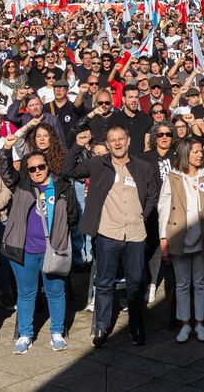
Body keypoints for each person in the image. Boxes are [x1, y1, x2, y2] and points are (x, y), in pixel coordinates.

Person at [63, 125, 160, 347]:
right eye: (112, 140)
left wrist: (140, 217)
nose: (117, 143)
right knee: (104, 282)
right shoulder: (98, 164)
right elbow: (67, 170)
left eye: (121, 139)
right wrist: (78, 144)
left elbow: (153, 196)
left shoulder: (143, 167)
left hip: (135, 234)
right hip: (107, 233)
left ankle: (136, 326)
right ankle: (102, 327)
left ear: (128, 141)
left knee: (136, 283)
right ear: (107, 144)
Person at [0, 149, 80, 354]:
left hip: (53, 250)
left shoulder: (63, 187)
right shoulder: (22, 185)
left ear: (48, 166)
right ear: (27, 171)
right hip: (24, 250)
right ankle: (25, 334)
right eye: (32, 168)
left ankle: (56, 332)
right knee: (26, 293)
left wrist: (60, 234)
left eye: (41, 167)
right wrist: (6, 149)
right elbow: (6, 170)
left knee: (55, 291)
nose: (37, 171)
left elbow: (73, 217)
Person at [158, 136, 204, 343]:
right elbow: (163, 208)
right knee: (182, 283)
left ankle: (200, 323)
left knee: (201, 282)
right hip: (179, 237)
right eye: (195, 151)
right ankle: (185, 323)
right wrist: (163, 237)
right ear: (186, 153)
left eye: (200, 151)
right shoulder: (173, 178)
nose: (200, 154)